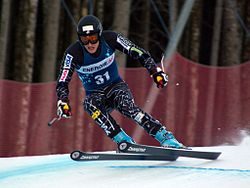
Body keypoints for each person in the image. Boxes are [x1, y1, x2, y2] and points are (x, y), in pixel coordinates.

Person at [56, 15, 185, 149]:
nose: (89, 44)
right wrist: (63, 100)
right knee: (89, 105)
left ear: (99, 35)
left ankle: (164, 136)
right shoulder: (73, 53)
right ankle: (123, 140)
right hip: (95, 95)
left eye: (93, 38)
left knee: (127, 107)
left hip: (115, 87)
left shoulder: (110, 38)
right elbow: (63, 80)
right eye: (85, 39)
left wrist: (155, 71)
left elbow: (137, 51)